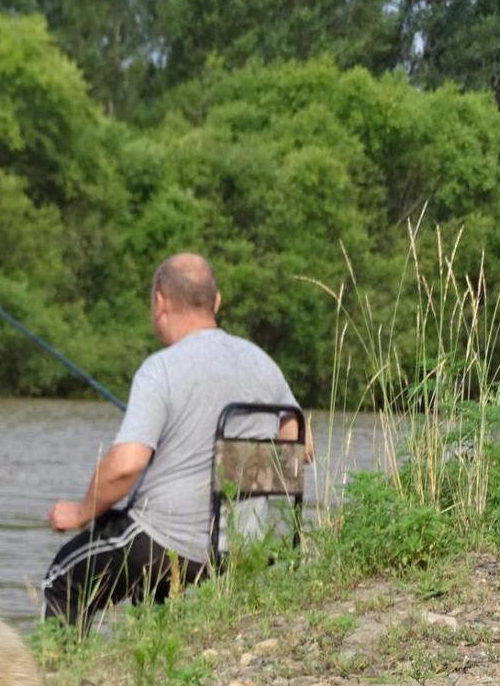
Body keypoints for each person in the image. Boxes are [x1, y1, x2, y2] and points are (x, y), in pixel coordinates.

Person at [41, 253, 308, 630]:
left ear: (160, 302)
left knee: (63, 578)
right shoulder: (263, 362)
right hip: (244, 549)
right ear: (216, 302)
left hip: (168, 546)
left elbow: (126, 465)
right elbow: (300, 444)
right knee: (142, 574)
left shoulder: (159, 369)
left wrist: (80, 511)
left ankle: (60, 682)